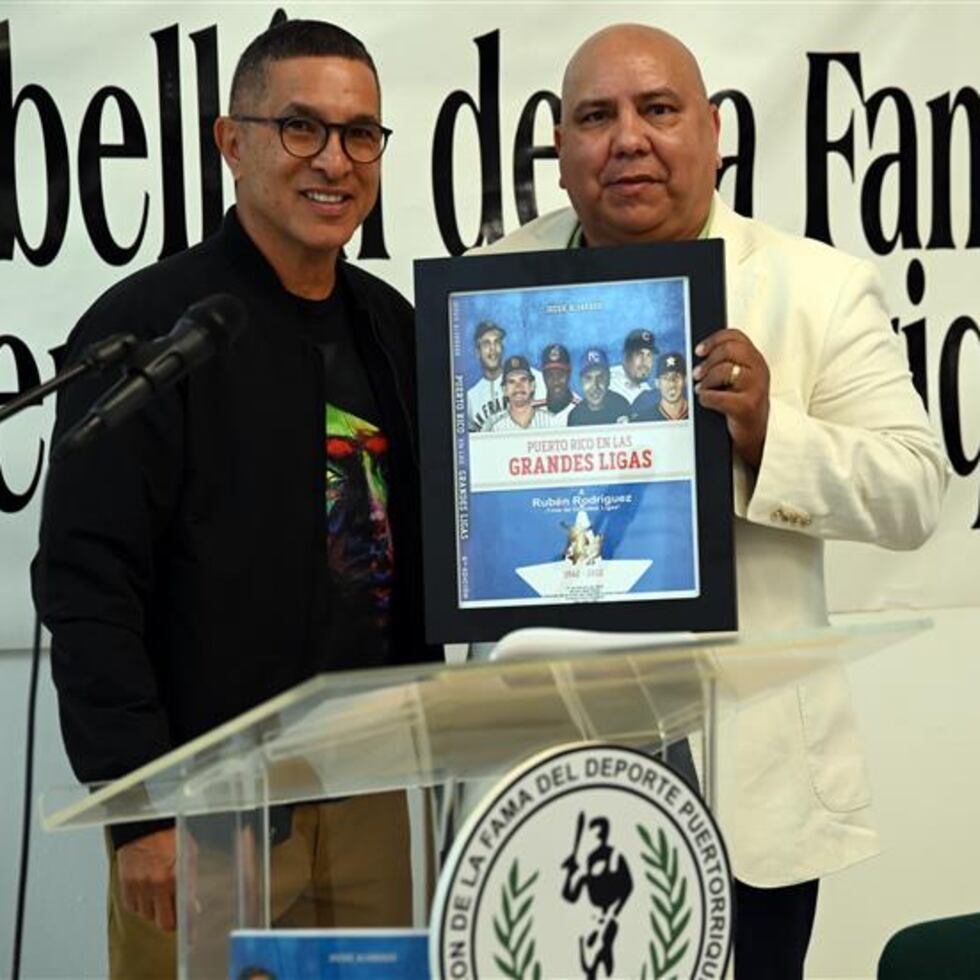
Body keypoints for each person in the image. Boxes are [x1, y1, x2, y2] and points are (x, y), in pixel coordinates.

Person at [475, 23, 948, 978]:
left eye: (658, 110)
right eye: (595, 116)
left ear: (715, 133)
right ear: (561, 152)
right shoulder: (492, 291)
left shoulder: (817, 289)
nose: (628, 139)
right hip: (548, 776)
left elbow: (913, 491)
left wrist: (771, 433)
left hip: (748, 781)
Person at [32, 19, 437, 980]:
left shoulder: (394, 327)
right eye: (301, 128)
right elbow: (88, 581)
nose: (333, 160)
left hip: (371, 789)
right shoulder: (151, 329)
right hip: (205, 804)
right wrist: (143, 812)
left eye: (359, 133)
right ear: (231, 141)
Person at [466, 320, 545, 430]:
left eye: (497, 342)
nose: (493, 349)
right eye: (486, 344)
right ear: (477, 352)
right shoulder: (471, 397)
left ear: (502, 348)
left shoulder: (529, 376)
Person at [567, 348, 631, 426]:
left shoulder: (621, 406)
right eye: (588, 378)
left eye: (600, 377)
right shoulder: (575, 416)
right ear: (581, 381)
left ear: (608, 379)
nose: (595, 386)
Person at [486, 354, 551, 431]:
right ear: (504, 390)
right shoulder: (494, 427)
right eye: (511, 381)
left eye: (523, 379)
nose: (518, 386)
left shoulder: (550, 421)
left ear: (532, 385)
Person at [631, 351, 689, 421]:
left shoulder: (695, 412)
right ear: (657, 383)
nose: (671, 384)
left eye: (676, 377)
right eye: (665, 378)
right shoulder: (644, 419)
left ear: (685, 380)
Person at [607, 327, 656, 402]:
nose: (644, 361)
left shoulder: (647, 391)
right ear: (626, 357)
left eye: (649, 355)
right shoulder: (607, 380)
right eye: (639, 354)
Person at [537, 342, 580, 423]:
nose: (556, 380)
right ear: (543, 376)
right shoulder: (531, 410)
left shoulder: (581, 410)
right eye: (550, 375)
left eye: (561, 374)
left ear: (569, 374)